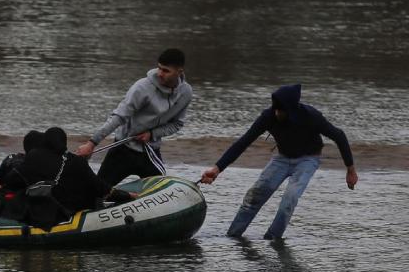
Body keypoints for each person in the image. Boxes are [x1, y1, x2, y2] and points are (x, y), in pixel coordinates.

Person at [200, 84, 358, 240]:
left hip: (307, 160)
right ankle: (233, 237)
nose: (277, 113)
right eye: (275, 109)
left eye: (281, 110)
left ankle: (273, 239)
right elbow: (243, 142)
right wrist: (217, 169)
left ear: (291, 110)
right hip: (282, 159)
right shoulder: (268, 116)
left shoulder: (311, 116)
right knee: (254, 196)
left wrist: (350, 170)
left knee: (289, 200)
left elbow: (339, 136)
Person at [76, 48, 192, 186]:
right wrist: (91, 143)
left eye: (166, 70)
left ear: (179, 72)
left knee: (160, 190)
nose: (160, 73)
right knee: (97, 192)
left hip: (150, 152)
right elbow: (118, 117)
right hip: (123, 148)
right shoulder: (142, 87)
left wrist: (152, 134)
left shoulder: (186, 93)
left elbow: (177, 124)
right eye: (159, 68)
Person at [4, 127, 135, 230]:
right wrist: (128, 195)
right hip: (66, 211)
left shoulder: (34, 157)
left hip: (41, 210)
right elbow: (100, 188)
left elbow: (12, 180)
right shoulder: (75, 162)